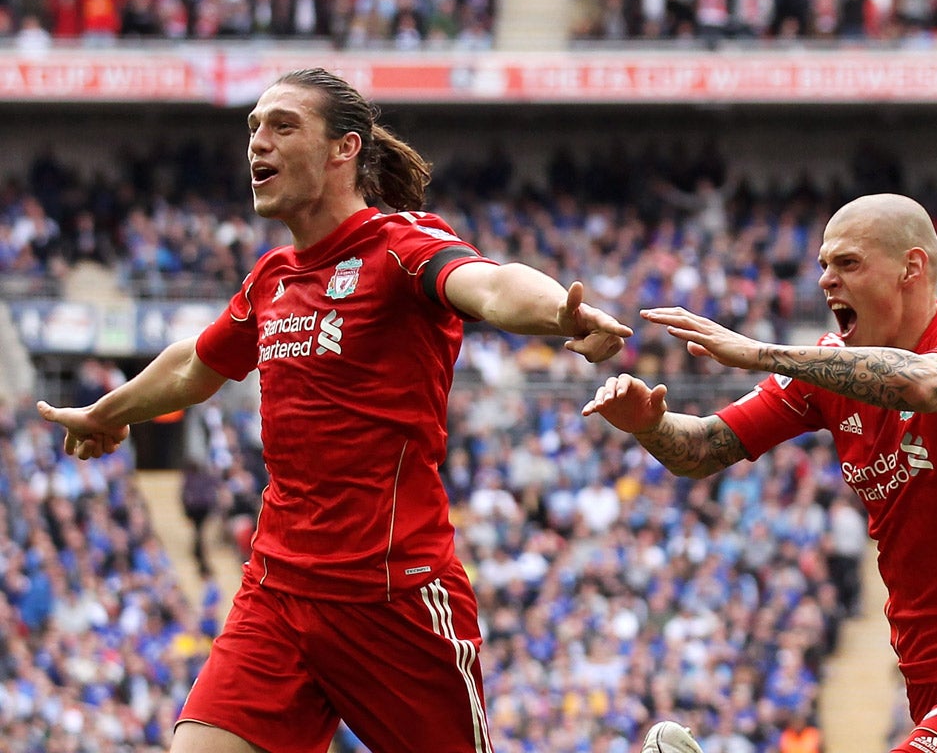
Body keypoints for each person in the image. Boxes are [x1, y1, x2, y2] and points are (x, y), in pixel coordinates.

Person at [37, 67, 632, 753]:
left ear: (343, 150)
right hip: (279, 592)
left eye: (283, 126)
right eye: (254, 127)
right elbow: (196, 365)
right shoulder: (273, 277)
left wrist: (561, 312)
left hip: (393, 601)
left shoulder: (401, 248)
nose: (258, 142)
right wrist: (108, 412)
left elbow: (491, 286)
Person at [586, 193, 937, 753]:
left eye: (848, 263)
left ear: (910, 268)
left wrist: (762, 352)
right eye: (822, 265)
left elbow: (925, 384)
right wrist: (647, 424)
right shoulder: (825, 372)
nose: (825, 280)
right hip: (925, 667)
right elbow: (701, 449)